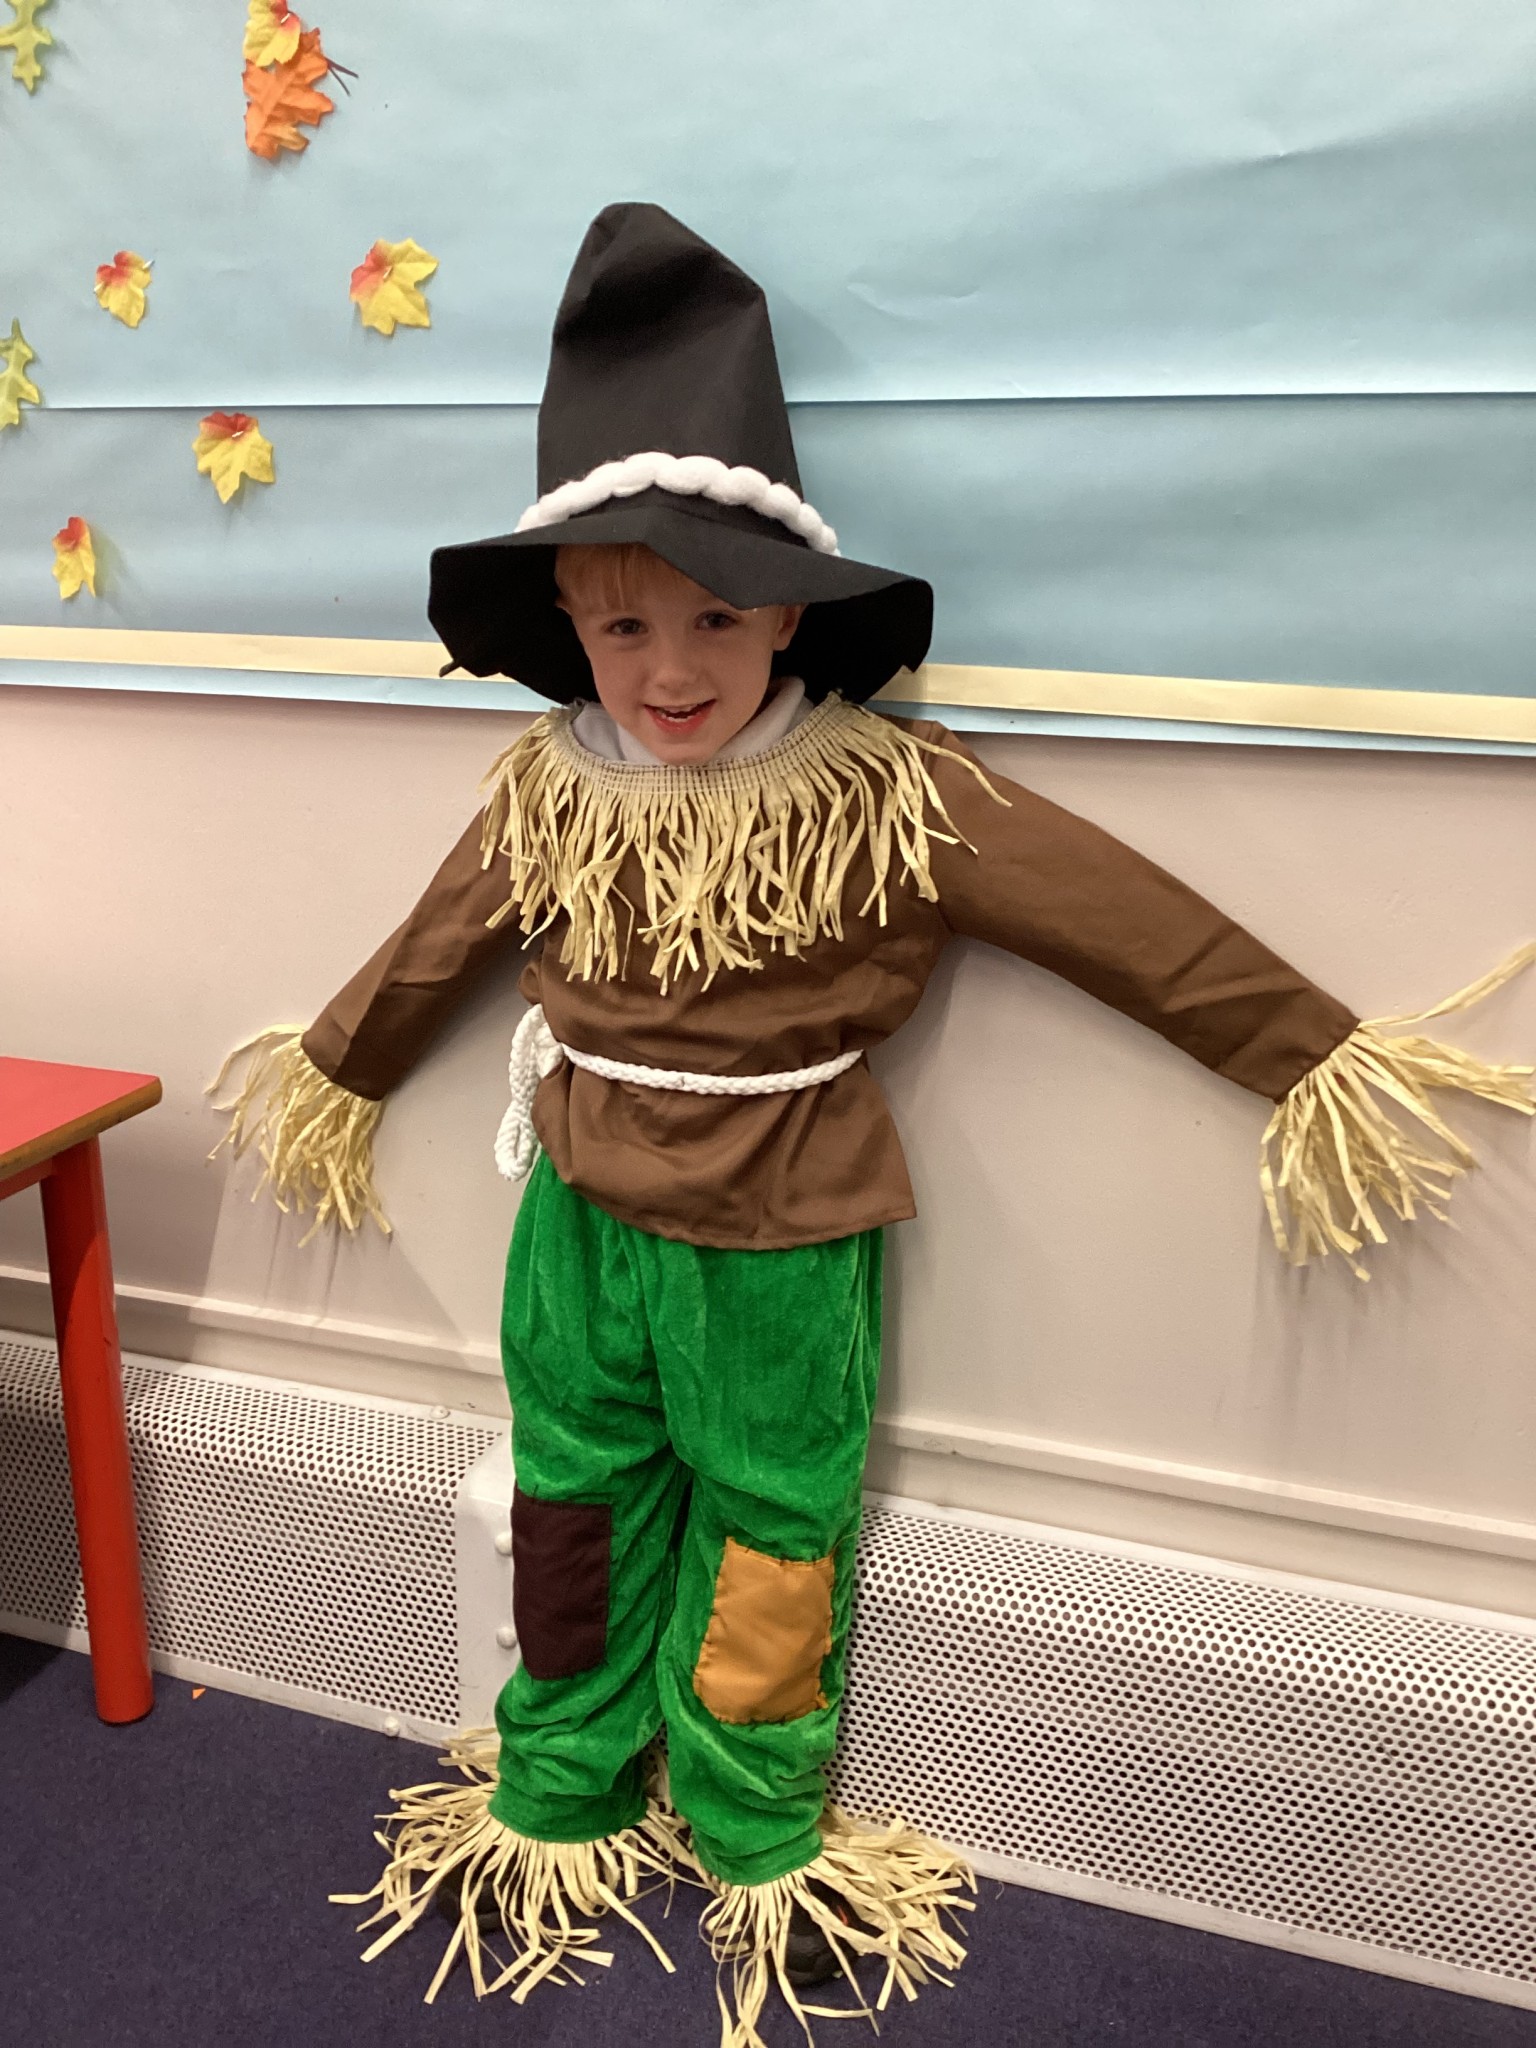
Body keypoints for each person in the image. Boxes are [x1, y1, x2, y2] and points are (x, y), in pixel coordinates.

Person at [215, 203, 1533, 2044]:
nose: (668, 667)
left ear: (789, 618)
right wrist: (338, 1071)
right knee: (573, 1514)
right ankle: (561, 1793)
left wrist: (1312, 1055)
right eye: (619, 623)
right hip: (578, 1220)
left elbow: (1113, 910)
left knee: (774, 1533)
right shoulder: (546, 790)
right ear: (568, 626)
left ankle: (757, 1838)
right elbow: (433, 951)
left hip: (783, 1219)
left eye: (714, 619)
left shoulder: (887, 795)